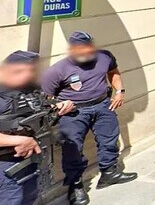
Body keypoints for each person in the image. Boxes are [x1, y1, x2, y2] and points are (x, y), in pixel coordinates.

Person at [41, 32, 136, 205]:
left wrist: (120, 92)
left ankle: (109, 173)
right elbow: (45, 99)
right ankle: (76, 186)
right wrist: (59, 106)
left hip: (103, 105)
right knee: (72, 150)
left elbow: (113, 72)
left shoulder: (105, 57)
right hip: (74, 113)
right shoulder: (57, 70)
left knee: (109, 140)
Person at [0, 51, 74, 204]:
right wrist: (18, 141)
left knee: (30, 197)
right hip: (5, 164)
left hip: (32, 157)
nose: (29, 74)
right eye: (21, 70)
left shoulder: (30, 89)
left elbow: (39, 111)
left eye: (32, 70)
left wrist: (57, 107)